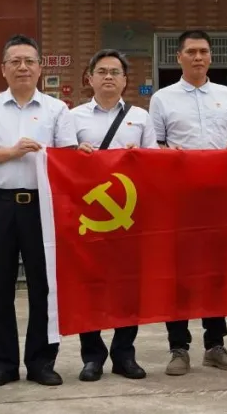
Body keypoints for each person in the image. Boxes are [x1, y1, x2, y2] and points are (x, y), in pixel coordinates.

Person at [0, 34, 77, 388]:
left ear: (40, 68)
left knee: (44, 287)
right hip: (0, 206)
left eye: (29, 61)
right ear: (3, 69)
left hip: (43, 208)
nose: (23, 67)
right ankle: (2, 364)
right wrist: (11, 152)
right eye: (15, 61)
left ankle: (42, 362)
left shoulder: (57, 110)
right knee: (0, 287)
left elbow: (69, 159)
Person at [148, 29, 227, 376]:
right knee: (179, 273)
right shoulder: (162, 98)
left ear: (211, 56)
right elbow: (154, 145)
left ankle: (215, 345)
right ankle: (179, 348)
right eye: (191, 52)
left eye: (203, 51)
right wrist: (166, 151)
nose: (198, 57)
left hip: (219, 198)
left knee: (216, 272)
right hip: (179, 198)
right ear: (179, 57)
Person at [71, 49, 155, 382]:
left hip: (130, 215)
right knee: (89, 285)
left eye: (115, 72)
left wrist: (141, 157)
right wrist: (75, 154)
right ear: (89, 78)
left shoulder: (141, 117)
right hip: (89, 216)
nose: (108, 77)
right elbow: (61, 161)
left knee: (128, 286)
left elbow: (155, 163)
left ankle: (124, 353)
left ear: (125, 80)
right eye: (102, 71)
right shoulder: (72, 117)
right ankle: (92, 356)